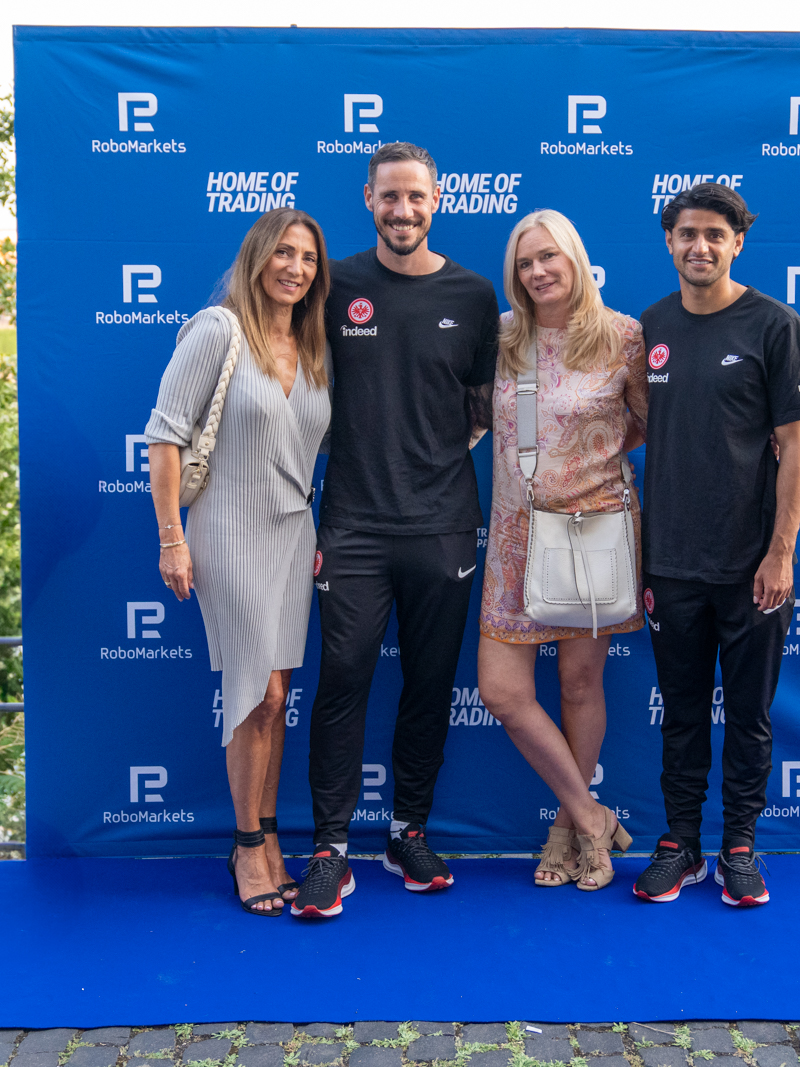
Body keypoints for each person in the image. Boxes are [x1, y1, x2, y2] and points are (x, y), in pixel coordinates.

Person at [290, 142, 499, 919]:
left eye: (416, 197)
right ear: (368, 199)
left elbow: (481, 408)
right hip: (351, 524)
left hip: (443, 526)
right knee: (342, 679)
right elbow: (283, 362)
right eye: (389, 197)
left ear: (437, 200)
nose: (402, 210)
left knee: (430, 683)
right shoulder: (333, 283)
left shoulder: (474, 294)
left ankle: (408, 829)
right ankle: (329, 848)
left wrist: (426, 458)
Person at [632, 183, 800, 907]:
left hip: (752, 568)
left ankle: (739, 845)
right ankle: (680, 843)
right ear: (669, 242)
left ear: (737, 242)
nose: (700, 246)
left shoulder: (775, 325)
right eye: (688, 233)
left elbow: (796, 449)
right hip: (671, 564)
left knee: (749, 715)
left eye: (715, 234)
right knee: (681, 715)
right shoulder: (650, 325)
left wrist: (780, 553)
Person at [144, 208, 332, 916]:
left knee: (278, 694)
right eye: (283, 253)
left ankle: (270, 834)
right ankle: (247, 844)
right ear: (256, 258)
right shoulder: (217, 331)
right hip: (229, 528)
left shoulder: (312, 347)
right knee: (258, 695)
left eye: (307, 258)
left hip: (293, 534)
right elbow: (165, 436)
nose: (295, 268)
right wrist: (172, 539)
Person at [476, 209, 646, 891]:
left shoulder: (623, 337)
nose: (538, 271)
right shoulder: (501, 339)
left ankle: (566, 831)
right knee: (501, 691)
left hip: (590, 532)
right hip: (513, 538)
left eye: (549, 256)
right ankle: (591, 814)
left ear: (575, 257)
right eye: (524, 262)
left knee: (579, 685)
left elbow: (648, 422)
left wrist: (588, 464)